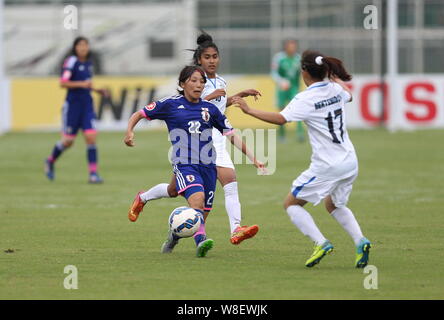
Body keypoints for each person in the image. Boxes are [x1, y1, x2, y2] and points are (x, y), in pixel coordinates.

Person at [233, 50, 371, 268]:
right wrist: (333, 77)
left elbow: (281, 119)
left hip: (328, 165)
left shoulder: (306, 98)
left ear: (304, 72)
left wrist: (249, 110)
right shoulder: (335, 88)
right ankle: (360, 240)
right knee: (333, 204)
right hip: (350, 161)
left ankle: (321, 243)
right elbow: (349, 95)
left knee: (291, 204)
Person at [128, 32, 264, 246]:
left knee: (195, 191)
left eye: (215, 57)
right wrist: (129, 132)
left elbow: (211, 111)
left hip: (213, 142)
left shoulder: (220, 82)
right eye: (208, 57)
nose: (212, 61)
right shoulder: (190, 87)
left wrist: (233, 97)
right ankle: (201, 237)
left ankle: (230, 229)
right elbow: (197, 104)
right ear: (199, 61)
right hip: (189, 148)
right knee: (197, 198)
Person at [45, 36, 107, 183]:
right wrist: (82, 84)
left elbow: (87, 84)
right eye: (80, 45)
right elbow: (63, 82)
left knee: (91, 137)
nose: (83, 48)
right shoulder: (71, 61)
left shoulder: (88, 64)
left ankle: (93, 174)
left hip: (87, 106)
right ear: (75, 47)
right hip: (73, 107)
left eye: (85, 45)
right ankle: (50, 160)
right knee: (68, 141)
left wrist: (97, 90)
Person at [271, 39, 304, 142]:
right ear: (285, 47)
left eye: (293, 46)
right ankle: (282, 135)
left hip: (294, 88)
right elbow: (273, 73)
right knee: (281, 111)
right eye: (290, 46)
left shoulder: (298, 59)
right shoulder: (279, 58)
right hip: (282, 88)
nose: (292, 48)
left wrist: (299, 87)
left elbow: (302, 74)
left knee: (297, 110)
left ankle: (300, 134)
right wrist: (281, 82)